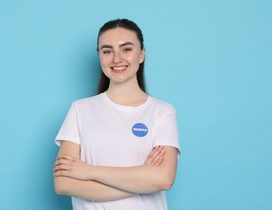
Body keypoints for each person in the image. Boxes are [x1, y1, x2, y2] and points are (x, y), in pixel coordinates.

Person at [53, 18, 180, 210]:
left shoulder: (162, 112)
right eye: (107, 51)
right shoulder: (80, 110)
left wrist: (88, 171)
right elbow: (63, 184)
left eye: (126, 49)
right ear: (100, 56)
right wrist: (141, 181)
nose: (116, 58)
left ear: (141, 54)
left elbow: (163, 179)